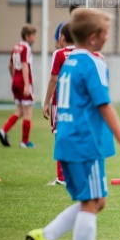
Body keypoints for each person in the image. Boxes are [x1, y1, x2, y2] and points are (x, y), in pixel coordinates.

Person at [25, 8, 120, 240]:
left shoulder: (69, 61)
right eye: (105, 33)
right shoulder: (93, 63)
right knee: (91, 202)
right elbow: (104, 104)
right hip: (84, 142)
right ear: (93, 37)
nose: (107, 37)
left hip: (68, 138)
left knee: (96, 200)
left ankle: (45, 237)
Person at [43, 23, 76, 186]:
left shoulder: (59, 54)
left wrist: (46, 102)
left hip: (61, 102)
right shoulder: (82, 53)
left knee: (60, 136)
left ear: (61, 37)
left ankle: (61, 177)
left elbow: (54, 79)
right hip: (77, 102)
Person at [0, 24, 37, 148]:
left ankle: (3, 131)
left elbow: (10, 65)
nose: (35, 38)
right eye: (33, 35)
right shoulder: (26, 48)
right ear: (27, 36)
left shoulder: (16, 47)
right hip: (24, 81)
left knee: (20, 111)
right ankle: (24, 142)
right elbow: (25, 65)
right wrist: (26, 84)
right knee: (28, 112)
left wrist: (14, 78)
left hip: (15, 80)